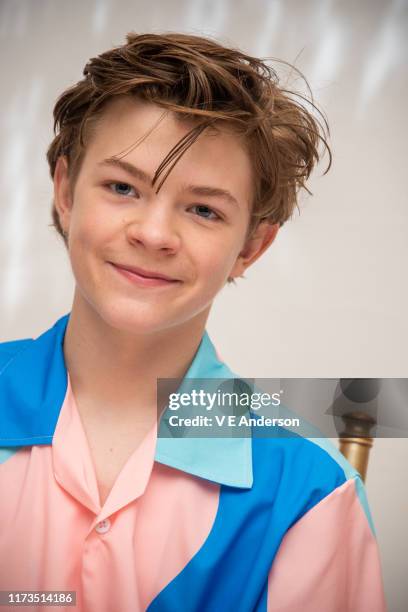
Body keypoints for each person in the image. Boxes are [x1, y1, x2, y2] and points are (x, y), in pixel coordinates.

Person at [0, 32, 386, 611]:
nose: (153, 234)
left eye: (204, 209)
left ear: (252, 245)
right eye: (122, 187)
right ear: (65, 191)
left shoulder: (310, 497)